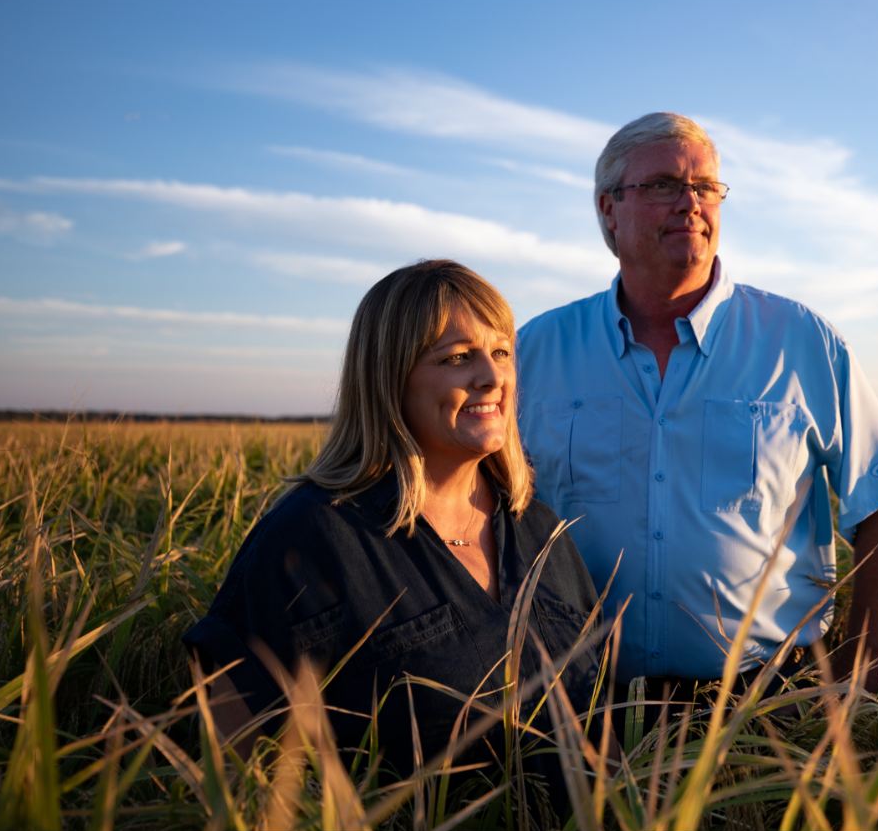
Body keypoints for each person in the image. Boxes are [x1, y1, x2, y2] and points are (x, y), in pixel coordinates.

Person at [515, 113, 878, 696]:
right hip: (576, 702)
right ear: (608, 209)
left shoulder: (800, 339)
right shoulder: (536, 349)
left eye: (706, 188)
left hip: (766, 706)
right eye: (662, 185)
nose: (690, 203)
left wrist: (865, 664)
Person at [183, 259, 601, 793]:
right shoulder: (314, 538)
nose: (492, 377)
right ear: (387, 379)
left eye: (501, 353)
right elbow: (235, 760)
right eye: (456, 358)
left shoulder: (540, 532)